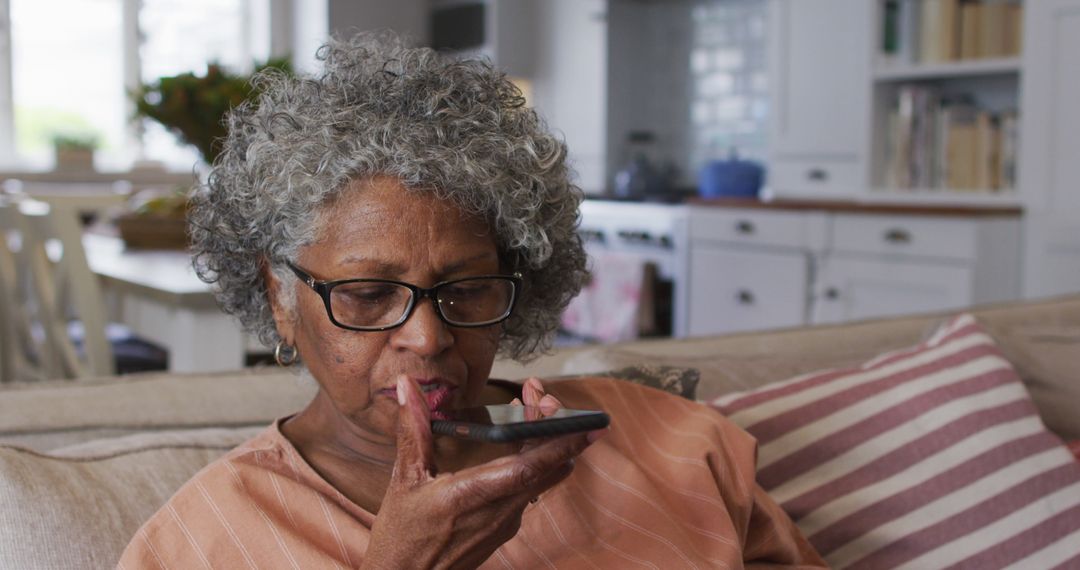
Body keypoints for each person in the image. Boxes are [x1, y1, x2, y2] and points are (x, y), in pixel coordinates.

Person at [118, 33, 826, 569]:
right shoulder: (201, 541)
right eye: (367, 295)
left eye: (467, 289)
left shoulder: (670, 443)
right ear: (279, 297)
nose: (427, 338)